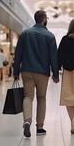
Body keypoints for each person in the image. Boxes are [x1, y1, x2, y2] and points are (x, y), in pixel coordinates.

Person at [13, 10, 59, 138]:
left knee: (28, 97)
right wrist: (56, 74)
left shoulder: (25, 34)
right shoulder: (50, 36)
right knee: (41, 98)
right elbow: (53, 57)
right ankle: (40, 127)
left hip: (27, 70)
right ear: (44, 19)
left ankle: (27, 121)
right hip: (43, 72)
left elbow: (18, 55)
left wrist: (15, 71)